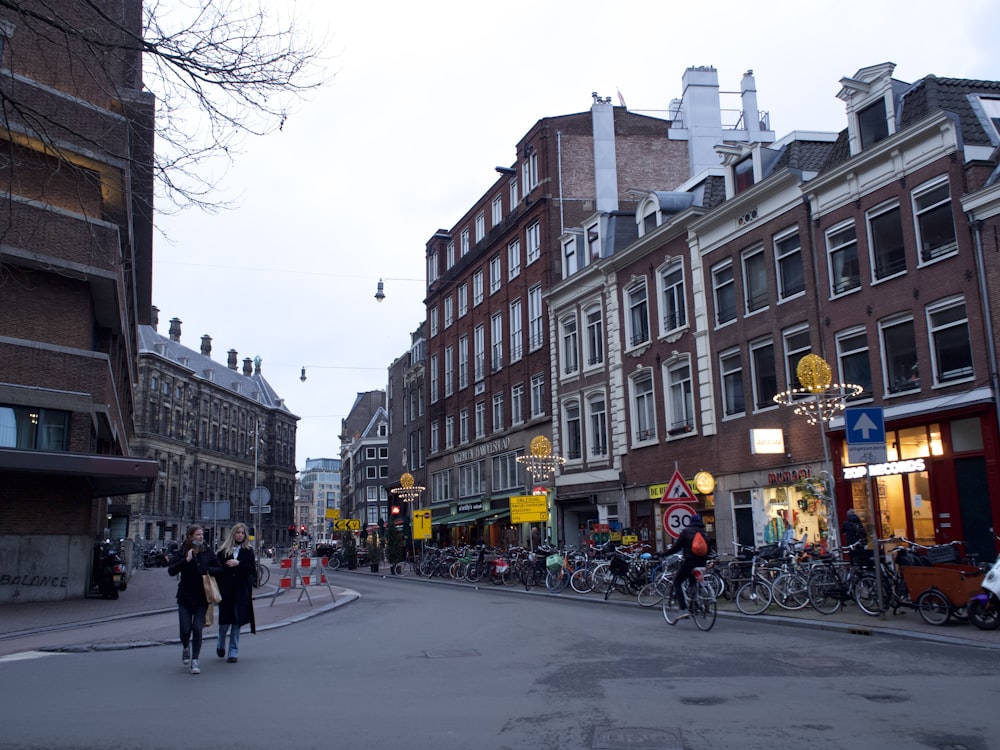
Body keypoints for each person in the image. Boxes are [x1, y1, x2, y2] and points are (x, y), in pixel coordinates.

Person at [167, 524, 218, 675]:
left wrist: (208, 570)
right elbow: (171, 570)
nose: (201, 537)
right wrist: (186, 560)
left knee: (197, 628)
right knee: (185, 630)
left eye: (202, 535)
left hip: (202, 597)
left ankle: (195, 659)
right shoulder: (183, 551)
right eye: (197, 535)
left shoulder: (207, 552)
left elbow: (219, 568)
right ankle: (185, 647)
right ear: (190, 537)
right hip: (185, 596)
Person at [210, 522, 256, 663]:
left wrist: (239, 564)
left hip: (241, 591)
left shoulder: (248, 551)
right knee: (225, 621)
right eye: (238, 532)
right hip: (226, 590)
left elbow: (252, 569)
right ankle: (220, 643)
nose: (240, 535)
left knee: (237, 621)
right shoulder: (223, 551)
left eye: (242, 533)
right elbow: (217, 569)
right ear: (233, 534)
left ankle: (233, 651)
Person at [664, 514, 710, 616]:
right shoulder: (705, 533)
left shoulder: (686, 532)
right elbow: (709, 549)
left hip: (690, 562)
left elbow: (676, 547)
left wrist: (664, 554)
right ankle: (696, 604)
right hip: (702, 562)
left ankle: (683, 608)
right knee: (694, 581)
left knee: (677, 581)